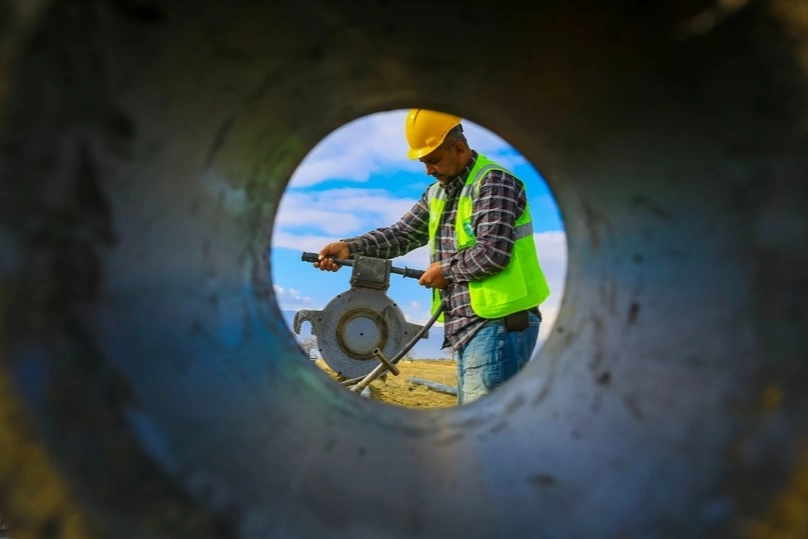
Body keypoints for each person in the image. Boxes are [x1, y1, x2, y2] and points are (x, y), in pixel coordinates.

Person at [315, 109, 550, 404]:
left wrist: (445, 271)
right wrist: (350, 247)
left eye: (434, 160)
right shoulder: (437, 193)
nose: (428, 169)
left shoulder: (493, 183)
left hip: (500, 322)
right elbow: (402, 234)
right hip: (468, 325)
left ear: (459, 149)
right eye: (423, 162)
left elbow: (492, 252)